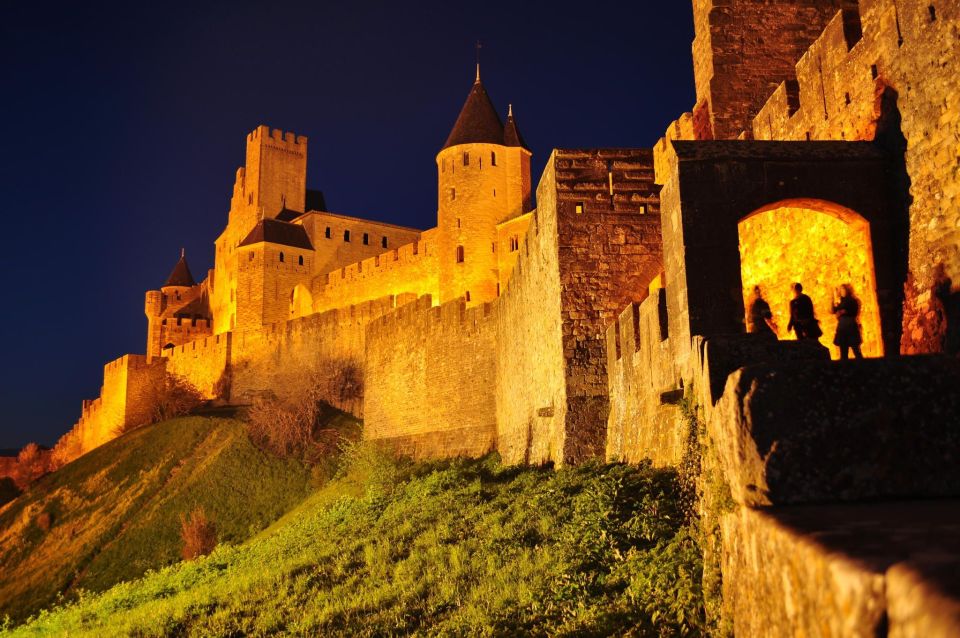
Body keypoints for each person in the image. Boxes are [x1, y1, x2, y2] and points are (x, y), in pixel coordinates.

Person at [833, 284, 863, 360]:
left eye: (843, 289)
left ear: (847, 290)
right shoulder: (841, 301)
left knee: (856, 349)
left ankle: (863, 367)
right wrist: (834, 300)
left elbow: (853, 311)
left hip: (850, 326)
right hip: (842, 327)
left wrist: (843, 311)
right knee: (843, 351)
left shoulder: (852, 300)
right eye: (841, 290)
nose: (841, 291)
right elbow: (834, 310)